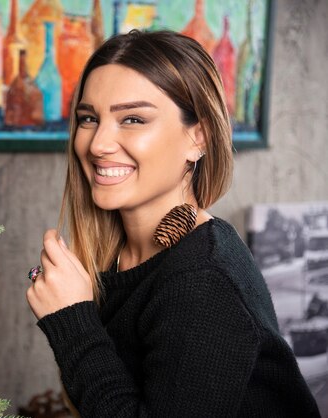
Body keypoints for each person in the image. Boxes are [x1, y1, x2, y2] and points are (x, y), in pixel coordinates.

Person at [25, 30, 320, 418]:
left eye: (132, 118)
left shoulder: (202, 280)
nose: (97, 144)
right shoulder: (123, 256)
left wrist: (72, 322)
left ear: (198, 138)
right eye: (88, 118)